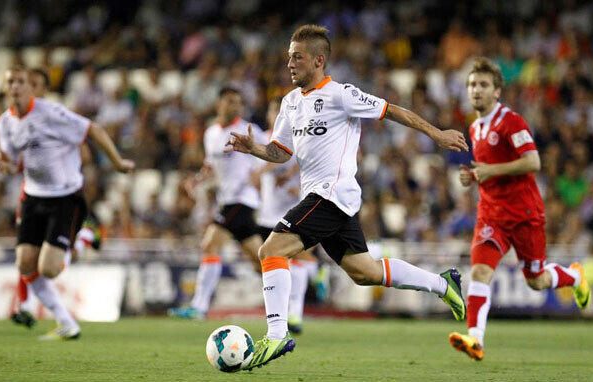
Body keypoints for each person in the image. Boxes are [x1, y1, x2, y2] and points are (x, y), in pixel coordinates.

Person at [225, 25, 469, 370]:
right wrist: (255, 149)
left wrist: (436, 133)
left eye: (298, 57)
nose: (290, 63)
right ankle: (443, 284)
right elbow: (281, 153)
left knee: (270, 250)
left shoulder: (341, 94)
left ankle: (277, 334)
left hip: (332, 194)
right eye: (288, 57)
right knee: (363, 271)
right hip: (325, 197)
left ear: (319, 60)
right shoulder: (290, 102)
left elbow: (393, 110)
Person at [448, 57, 591, 361]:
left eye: (484, 85)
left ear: (497, 91)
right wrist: (473, 175)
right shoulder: (475, 128)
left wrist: (490, 170)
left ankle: (575, 277)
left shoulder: (511, 121)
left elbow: (533, 162)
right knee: (480, 271)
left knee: (536, 280)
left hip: (524, 214)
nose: (476, 90)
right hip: (491, 215)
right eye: (472, 84)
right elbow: (489, 168)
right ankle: (475, 339)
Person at [0, 66, 134, 340]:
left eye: (20, 82)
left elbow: (93, 129)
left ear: (29, 87)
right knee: (25, 264)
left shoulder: (51, 113)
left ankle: (83, 238)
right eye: (10, 81)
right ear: (6, 87)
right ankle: (67, 322)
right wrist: (5, 166)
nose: (16, 87)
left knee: (48, 268)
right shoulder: (5, 122)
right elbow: (12, 162)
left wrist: (117, 162)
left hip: (65, 198)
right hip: (33, 197)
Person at [168, 86, 266, 320]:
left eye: (238, 102)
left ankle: (199, 307)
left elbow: (272, 153)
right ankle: (299, 281)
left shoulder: (248, 130)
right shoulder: (211, 133)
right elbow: (210, 165)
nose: (235, 106)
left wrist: (259, 174)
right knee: (259, 258)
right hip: (226, 199)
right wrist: (198, 179)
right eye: (230, 101)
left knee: (210, 244)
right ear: (219, 104)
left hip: (242, 199)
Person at [252, 97, 328, 335]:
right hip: (267, 212)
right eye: (273, 110)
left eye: (280, 110)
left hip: (292, 207)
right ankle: (316, 271)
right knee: (270, 262)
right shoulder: (262, 139)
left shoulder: (297, 135)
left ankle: (294, 313)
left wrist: (295, 183)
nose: (276, 115)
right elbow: (254, 170)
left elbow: (294, 159)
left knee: (295, 258)